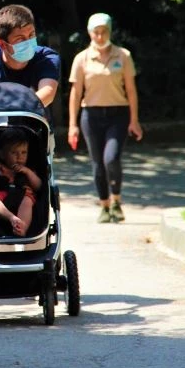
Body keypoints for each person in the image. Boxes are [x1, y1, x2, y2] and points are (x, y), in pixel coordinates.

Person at [68, 13, 143, 224]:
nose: (100, 36)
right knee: (97, 163)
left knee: (111, 158)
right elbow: (76, 92)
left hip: (118, 114)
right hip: (90, 115)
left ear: (110, 32)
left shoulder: (123, 55)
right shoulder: (81, 58)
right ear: (90, 33)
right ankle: (104, 205)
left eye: (104, 32)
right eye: (96, 32)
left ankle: (116, 200)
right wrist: (72, 125)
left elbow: (131, 90)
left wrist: (134, 120)